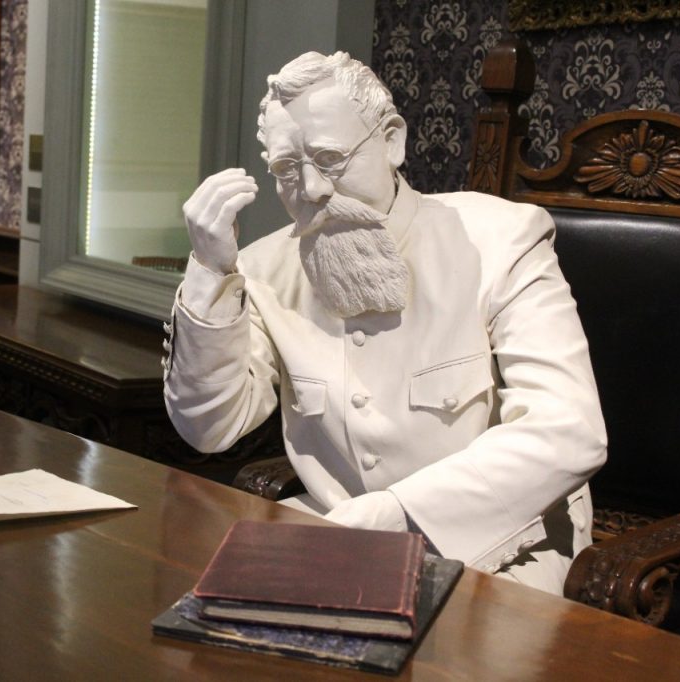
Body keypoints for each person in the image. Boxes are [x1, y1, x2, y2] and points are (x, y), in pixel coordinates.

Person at [163, 51, 606, 594]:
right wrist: (210, 272)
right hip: (334, 535)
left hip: (501, 549)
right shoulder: (262, 269)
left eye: (329, 158)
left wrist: (397, 514)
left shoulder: (501, 241)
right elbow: (209, 427)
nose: (312, 189)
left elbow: (568, 431)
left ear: (392, 141)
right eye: (286, 169)